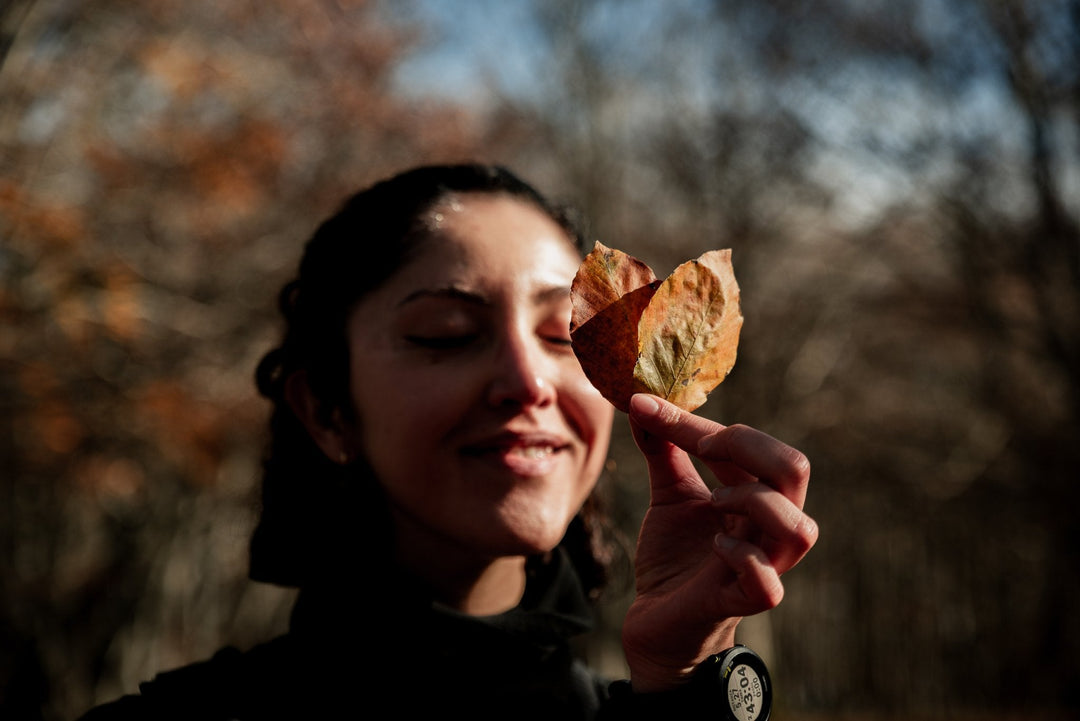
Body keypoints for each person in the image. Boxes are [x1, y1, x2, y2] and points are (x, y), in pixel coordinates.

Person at [77, 163, 817, 720]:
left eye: (567, 336)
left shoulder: (651, 704)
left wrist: (688, 683)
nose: (528, 380)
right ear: (329, 410)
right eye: (448, 334)